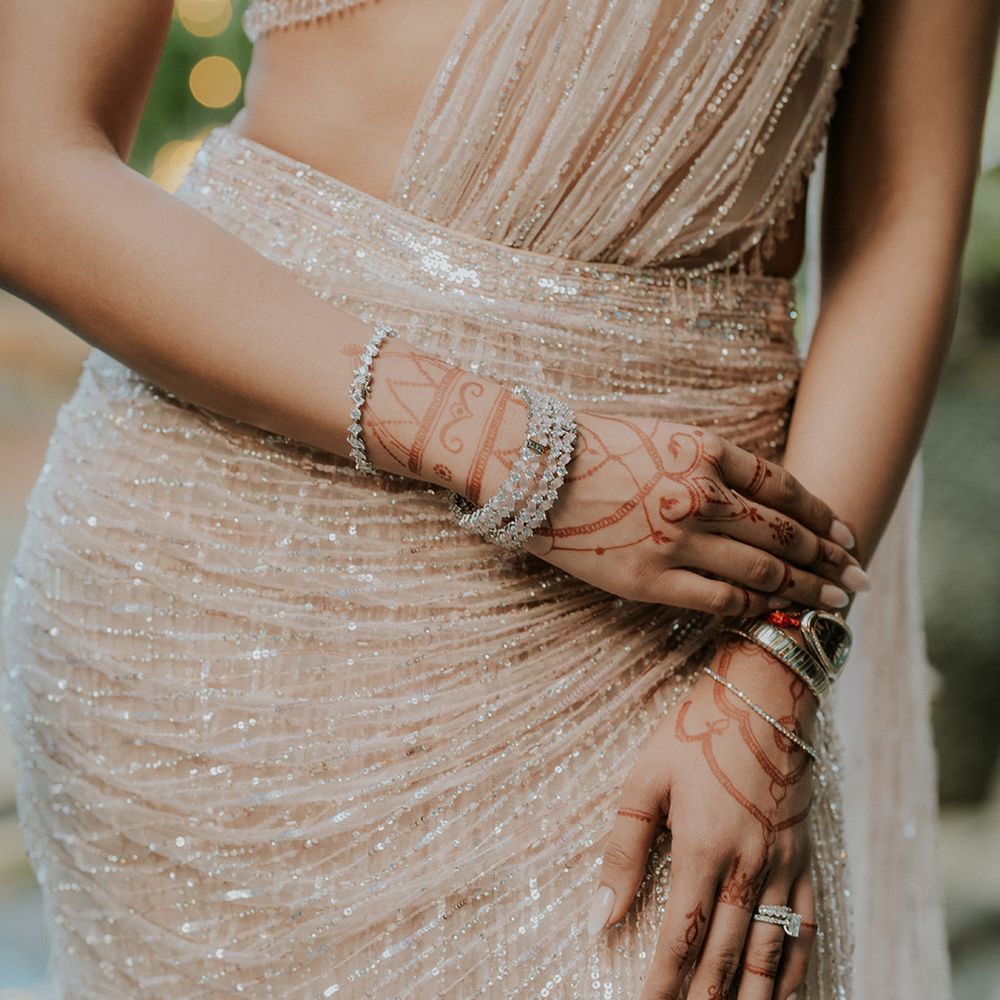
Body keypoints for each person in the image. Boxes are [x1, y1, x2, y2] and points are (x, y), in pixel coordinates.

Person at [0, 0, 995, 997]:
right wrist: (524, 458)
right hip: (232, 596)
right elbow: (25, 166)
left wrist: (778, 662)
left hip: (684, 614)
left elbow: (901, 214)